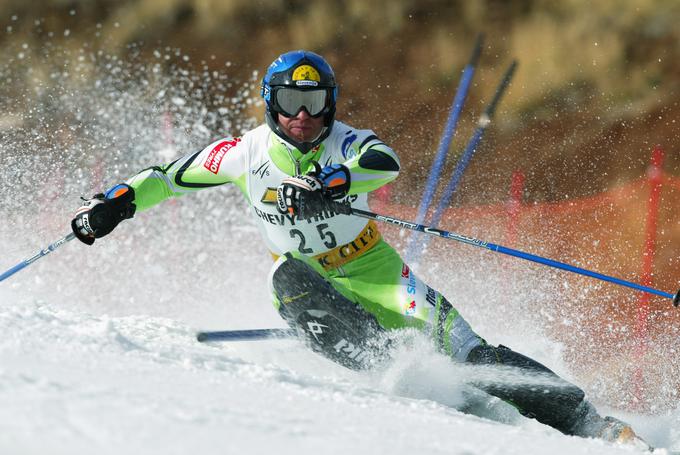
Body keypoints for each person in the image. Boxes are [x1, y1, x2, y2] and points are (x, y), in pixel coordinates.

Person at [71, 50, 645, 446]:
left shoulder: (347, 143)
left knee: (472, 353)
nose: (302, 117)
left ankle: (589, 422)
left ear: (331, 104)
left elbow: (382, 162)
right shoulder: (244, 153)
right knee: (290, 284)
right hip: (304, 276)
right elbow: (168, 175)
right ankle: (395, 371)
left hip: (377, 272)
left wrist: (334, 183)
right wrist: (113, 204)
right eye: (291, 103)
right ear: (271, 103)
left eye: (315, 102)